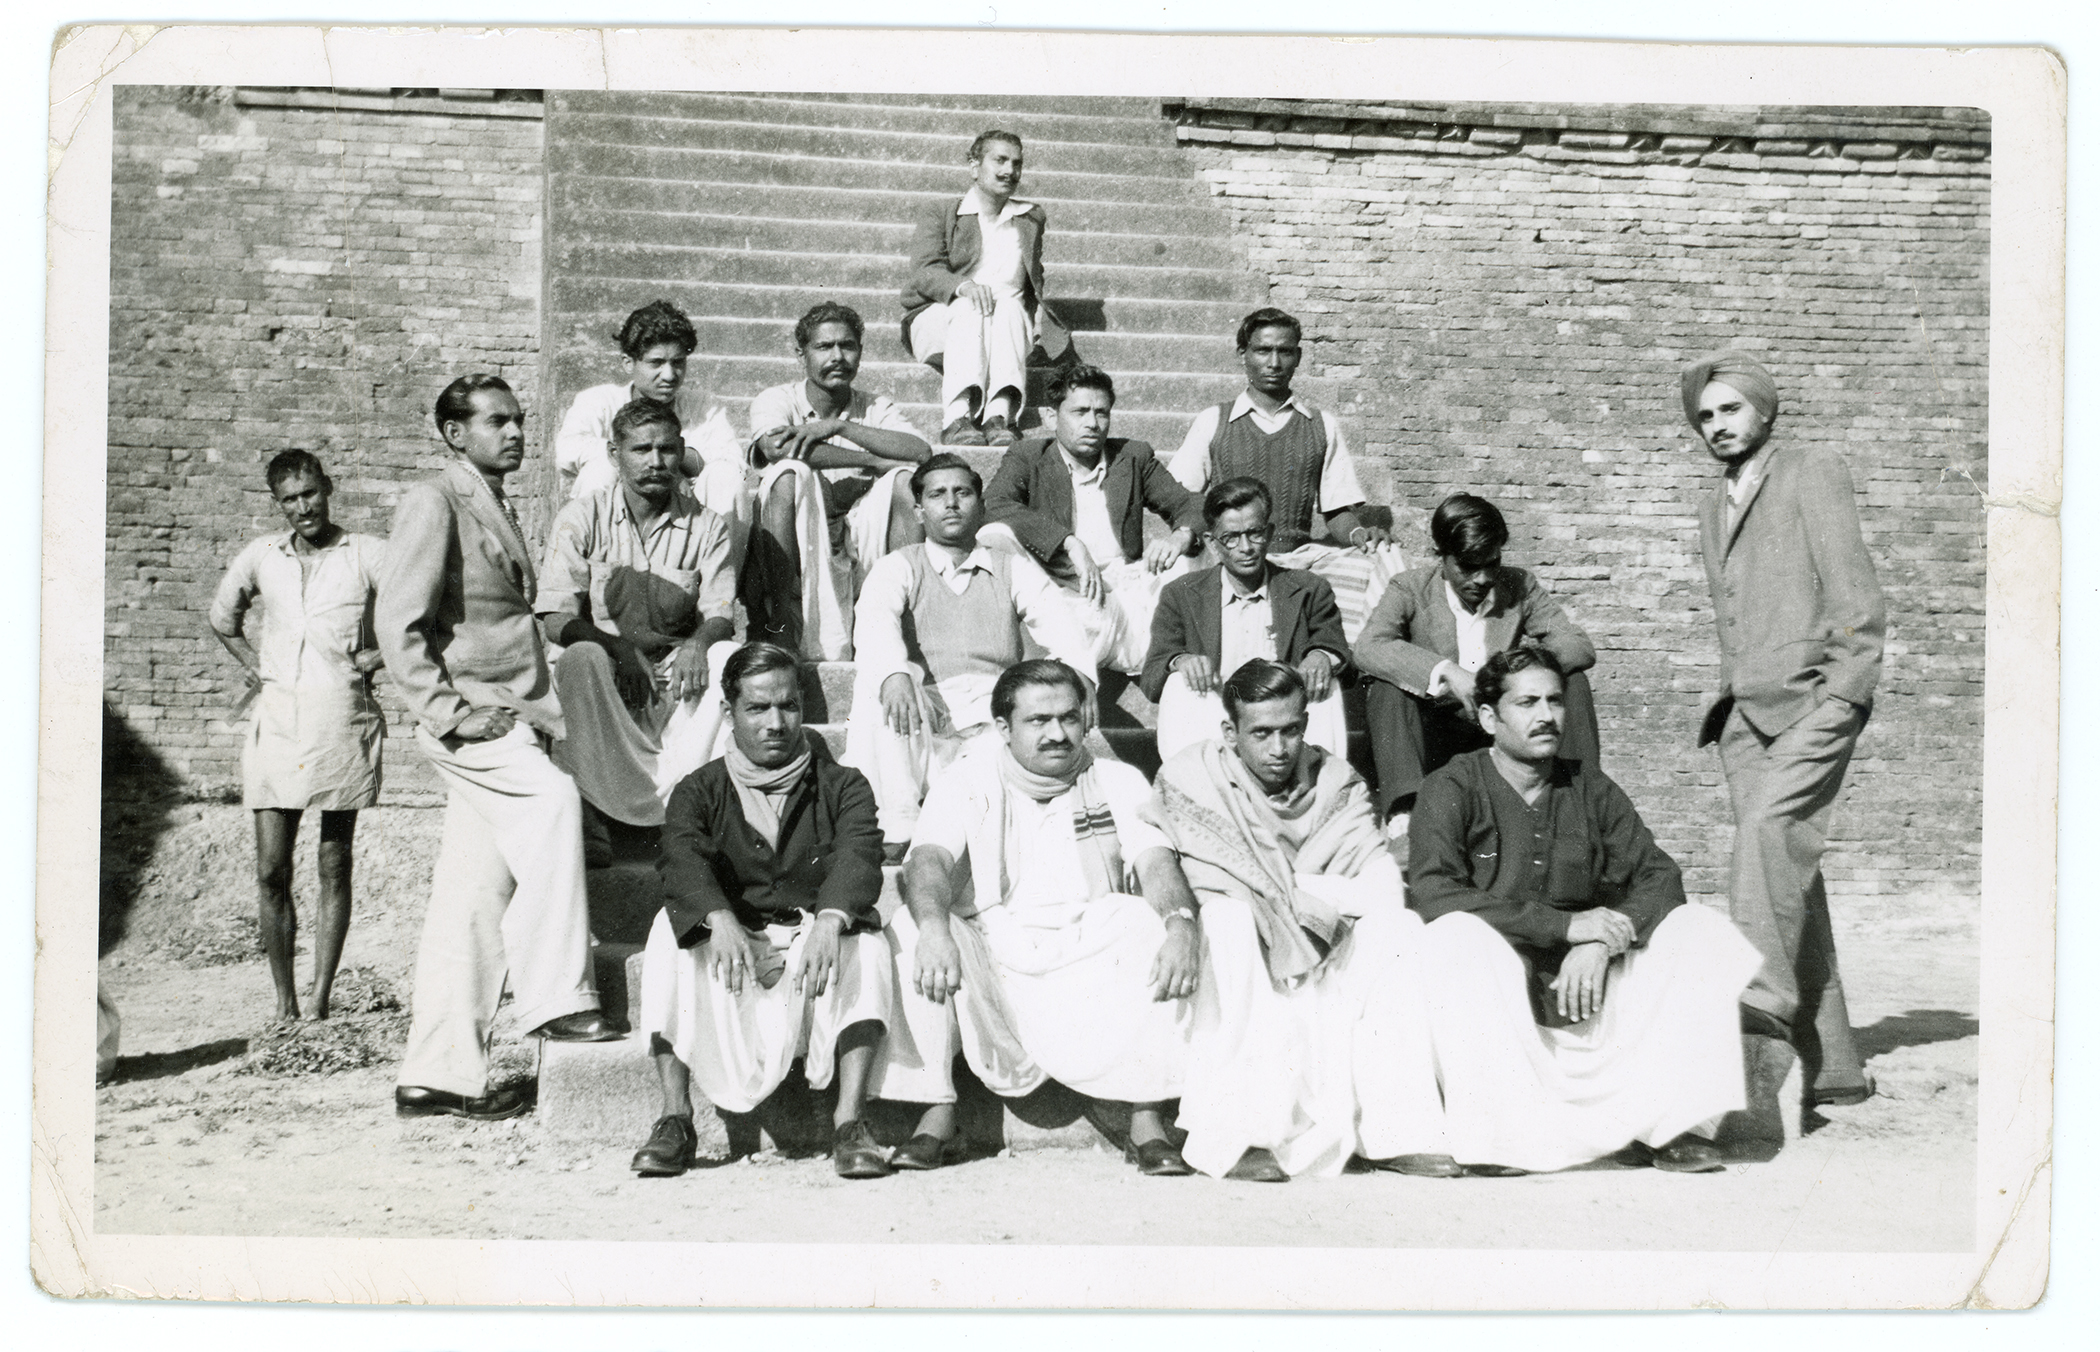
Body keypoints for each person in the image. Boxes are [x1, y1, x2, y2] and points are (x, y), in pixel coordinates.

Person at [1407, 647, 1762, 1175]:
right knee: (1456, 935)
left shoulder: (1590, 787)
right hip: (1498, 1021)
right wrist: (1565, 926)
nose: (1546, 716)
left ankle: (1675, 1129)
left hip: (1591, 1004)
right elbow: (1434, 892)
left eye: (1555, 701)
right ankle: (1501, 1138)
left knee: (1700, 929)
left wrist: (1601, 940)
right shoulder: (1452, 786)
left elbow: (1660, 877)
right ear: (1488, 717)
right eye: (1527, 703)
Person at [380, 374, 618, 1123]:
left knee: (472, 897)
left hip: (513, 708)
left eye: (518, 420)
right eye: (496, 422)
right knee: (553, 803)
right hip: (477, 717)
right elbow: (398, 622)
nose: (515, 433)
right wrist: (448, 713)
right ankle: (556, 999)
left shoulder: (490, 499)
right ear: (455, 433)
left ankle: (436, 1075)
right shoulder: (434, 500)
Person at [873, 661, 1199, 1176]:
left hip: (1090, 945)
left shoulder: (1115, 778)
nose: (1057, 734)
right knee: (915, 928)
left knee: (1150, 923)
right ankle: (937, 1113)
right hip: (996, 946)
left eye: (1069, 718)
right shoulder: (967, 778)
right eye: (1038, 721)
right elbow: (927, 861)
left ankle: (1146, 1121)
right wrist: (936, 929)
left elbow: (1155, 862)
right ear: (1003, 727)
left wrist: (1180, 924)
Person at [1150, 661, 1456, 1182]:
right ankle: (1233, 1136)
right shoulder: (1192, 777)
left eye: (1291, 731)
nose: (1279, 749)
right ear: (1230, 732)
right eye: (1261, 733)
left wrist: (1283, 892)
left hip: (1323, 941)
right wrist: (1300, 894)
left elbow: (1382, 887)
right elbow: (1193, 874)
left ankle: (1396, 1132)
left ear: (1306, 725)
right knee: (1226, 918)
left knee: (1399, 930)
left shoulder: (1335, 781)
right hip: (1247, 942)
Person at [1685, 351, 1886, 1106]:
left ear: (1764, 409)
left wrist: (1843, 696)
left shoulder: (1811, 470)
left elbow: (1855, 597)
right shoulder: (1712, 502)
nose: (1717, 425)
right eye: (1705, 416)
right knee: (1788, 871)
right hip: (1744, 716)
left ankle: (1758, 1008)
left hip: (1814, 703)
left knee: (1767, 837)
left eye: (1730, 409)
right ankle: (1834, 1064)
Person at [631, 642, 898, 1180]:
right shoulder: (699, 789)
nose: (776, 723)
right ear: (729, 712)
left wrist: (830, 920)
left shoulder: (843, 784)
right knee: (667, 932)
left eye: (788, 706)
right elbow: (681, 859)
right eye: (757, 708)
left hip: (811, 939)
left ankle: (850, 1122)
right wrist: (718, 917)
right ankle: (675, 1118)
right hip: (734, 940)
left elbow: (860, 855)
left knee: (868, 944)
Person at [209, 450, 387, 1022]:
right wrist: (254, 666)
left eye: (310, 493)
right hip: (278, 726)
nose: (303, 507)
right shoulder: (263, 556)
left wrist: (380, 653)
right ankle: (284, 1004)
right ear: (277, 504)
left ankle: (318, 1001)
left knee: (334, 862)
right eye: (290, 499)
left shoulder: (365, 553)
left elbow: (423, 608)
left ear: (327, 488)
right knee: (271, 869)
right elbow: (222, 617)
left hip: (341, 721)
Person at [843, 454, 1096, 854]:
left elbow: (1060, 623)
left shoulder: (1011, 568)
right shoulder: (899, 566)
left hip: (988, 711)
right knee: (878, 681)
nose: (951, 503)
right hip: (919, 714)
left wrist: (1080, 676)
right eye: (937, 495)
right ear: (919, 511)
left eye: (962, 493)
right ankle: (900, 825)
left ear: (979, 504)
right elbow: (875, 620)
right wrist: (893, 674)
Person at [536, 398, 741, 864]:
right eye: (641, 449)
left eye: (666, 449)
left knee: (727, 657)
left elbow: (720, 610)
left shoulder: (706, 525)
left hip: (672, 679)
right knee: (579, 658)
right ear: (615, 454)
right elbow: (554, 617)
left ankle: (699, 817)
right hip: (609, 676)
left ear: (681, 452)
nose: (655, 461)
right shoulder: (581, 517)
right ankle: (589, 814)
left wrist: (698, 643)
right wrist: (618, 649)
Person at [1355, 493, 1600, 837]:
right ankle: (1405, 814)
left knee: (1572, 681)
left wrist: (1508, 674)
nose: (1483, 578)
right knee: (1385, 687)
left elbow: (1577, 645)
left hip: (1502, 726)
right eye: (1468, 567)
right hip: (1433, 734)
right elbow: (1368, 647)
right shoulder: (1410, 588)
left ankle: (1581, 800)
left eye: (1492, 564)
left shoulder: (1519, 585)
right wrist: (1448, 671)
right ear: (1441, 555)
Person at [1166, 307, 1403, 641]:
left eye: (1285, 351)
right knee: (1174, 568)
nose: (1274, 363)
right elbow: (1181, 498)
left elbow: (1336, 511)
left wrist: (1359, 534)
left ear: (1298, 357)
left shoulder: (1322, 425)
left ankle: (1369, 651)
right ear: (1243, 354)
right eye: (1263, 350)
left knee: (1385, 556)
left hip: (1297, 557)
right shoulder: (1213, 421)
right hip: (1233, 554)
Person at [982, 364, 1203, 676]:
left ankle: (1118, 653)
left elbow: (1191, 504)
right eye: (1080, 412)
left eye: (1102, 413)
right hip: (1063, 593)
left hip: (1128, 591)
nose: (1092, 423)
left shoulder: (1132, 456)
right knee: (995, 534)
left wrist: (1181, 536)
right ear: (1050, 416)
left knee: (1200, 545)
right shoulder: (1028, 456)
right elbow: (993, 505)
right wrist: (1068, 543)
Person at [744, 301, 932, 659]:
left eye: (847, 346)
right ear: (801, 354)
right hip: (801, 539)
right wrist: (870, 459)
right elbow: (777, 448)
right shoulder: (777, 399)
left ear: (860, 351)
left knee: (904, 480)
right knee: (789, 473)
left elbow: (920, 451)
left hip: (859, 538)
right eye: (824, 347)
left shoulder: (874, 406)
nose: (837, 357)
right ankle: (779, 620)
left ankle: (906, 623)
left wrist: (839, 427)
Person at [1141, 478, 1351, 763]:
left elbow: (1340, 653)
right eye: (1231, 537)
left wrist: (1322, 655)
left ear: (1269, 533)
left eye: (1255, 534)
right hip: (1218, 719)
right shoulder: (1182, 594)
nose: (1246, 547)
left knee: (1326, 681)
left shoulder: (1308, 589)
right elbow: (1152, 677)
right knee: (1179, 682)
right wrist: (1180, 661)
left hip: (1282, 721)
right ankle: (1190, 784)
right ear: (1212, 544)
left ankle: (1323, 782)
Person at [900, 129, 1071, 447]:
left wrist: (1037, 317)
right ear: (974, 167)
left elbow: (1033, 277)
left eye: (1017, 163)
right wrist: (964, 287)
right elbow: (924, 271)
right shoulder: (942, 213)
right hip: (942, 320)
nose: (1010, 171)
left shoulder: (1030, 217)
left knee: (1009, 305)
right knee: (971, 306)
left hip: (1005, 326)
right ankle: (957, 418)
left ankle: (999, 417)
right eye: (1000, 160)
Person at [552, 299, 749, 556]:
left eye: (678, 362)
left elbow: (734, 462)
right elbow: (567, 452)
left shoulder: (703, 405)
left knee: (726, 476)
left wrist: (671, 464)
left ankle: (720, 575)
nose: (669, 375)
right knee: (600, 467)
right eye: (656, 363)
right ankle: (597, 570)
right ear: (628, 362)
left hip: (688, 523)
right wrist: (646, 463)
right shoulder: (599, 401)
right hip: (621, 523)